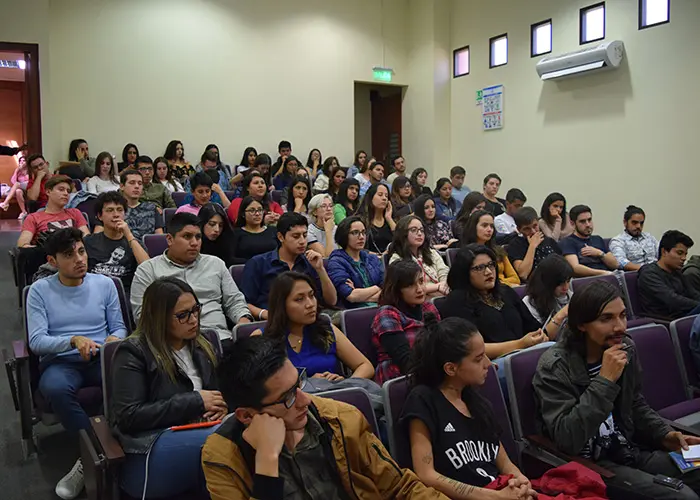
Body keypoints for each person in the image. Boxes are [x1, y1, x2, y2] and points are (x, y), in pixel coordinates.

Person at [201, 335, 448, 500]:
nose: (305, 400)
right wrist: (267, 461)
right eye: (287, 397)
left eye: (299, 385)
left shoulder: (340, 419)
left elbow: (400, 487)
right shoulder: (223, 455)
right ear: (246, 415)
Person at [533, 280, 700, 500]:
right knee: (681, 497)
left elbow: (635, 404)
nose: (620, 326)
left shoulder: (625, 347)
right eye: (607, 319)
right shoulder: (554, 366)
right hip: (595, 464)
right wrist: (605, 380)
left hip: (630, 450)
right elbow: (568, 438)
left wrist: (665, 434)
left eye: (622, 315)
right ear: (581, 324)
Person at [27, 228, 127, 499]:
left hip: (100, 357)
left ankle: (101, 452)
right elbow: (37, 341)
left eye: (81, 251)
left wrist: (110, 342)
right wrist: (73, 341)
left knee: (127, 377)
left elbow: (119, 327)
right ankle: (93, 455)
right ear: (53, 261)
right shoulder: (39, 291)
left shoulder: (104, 284)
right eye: (69, 255)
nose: (79, 259)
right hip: (61, 362)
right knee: (56, 388)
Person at [110, 277, 224, 498]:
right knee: (229, 437)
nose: (194, 320)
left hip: (202, 435)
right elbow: (128, 416)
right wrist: (195, 401)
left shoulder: (203, 345)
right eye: (183, 315)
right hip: (150, 448)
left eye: (195, 310)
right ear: (160, 318)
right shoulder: (134, 352)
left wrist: (220, 407)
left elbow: (217, 395)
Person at [402, 317, 537, 500]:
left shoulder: (477, 402)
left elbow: (505, 464)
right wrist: (495, 497)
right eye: (479, 358)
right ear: (451, 368)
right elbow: (426, 475)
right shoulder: (423, 400)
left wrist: (521, 482)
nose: (489, 364)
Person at [130, 213, 253, 341]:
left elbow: (234, 301)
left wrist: (243, 320)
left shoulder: (215, 264)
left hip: (219, 338)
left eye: (198, 237)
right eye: (187, 236)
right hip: (173, 344)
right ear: (170, 239)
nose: (194, 243)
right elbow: (142, 317)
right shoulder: (148, 270)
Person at [251, 271, 374, 379]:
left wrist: (345, 384)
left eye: (311, 296)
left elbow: (365, 366)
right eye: (299, 299)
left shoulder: (326, 330)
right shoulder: (262, 338)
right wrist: (307, 384)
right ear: (281, 305)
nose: (310, 304)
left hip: (332, 400)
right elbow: (257, 388)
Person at [440, 245, 547, 361]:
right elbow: (469, 349)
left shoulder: (505, 292)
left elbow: (534, 327)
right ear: (465, 273)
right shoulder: (456, 301)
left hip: (525, 355)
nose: (488, 272)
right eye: (479, 268)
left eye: (491, 265)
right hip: (490, 365)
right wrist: (519, 345)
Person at [241, 212, 337, 321]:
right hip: (273, 322)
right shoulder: (258, 263)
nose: (302, 241)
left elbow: (331, 301)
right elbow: (244, 303)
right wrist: (266, 314)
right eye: (296, 236)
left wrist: (320, 270)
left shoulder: (310, 262)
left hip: (307, 320)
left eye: (305, 235)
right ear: (281, 237)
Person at [372, 260, 441, 384]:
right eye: (410, 285)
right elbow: (405, 362)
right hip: (400, 377)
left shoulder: (429, 308)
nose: (420, 289)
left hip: (430, 370)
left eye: (421, 281)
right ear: (397, 289)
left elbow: (441, 344)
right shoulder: (387, 314)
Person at [83, 191, 149, 295]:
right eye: (110, 210)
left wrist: (128, 235)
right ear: (100, 216)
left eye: (120, 210)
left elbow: (147, 268)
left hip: (123, 295)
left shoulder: (134, 243)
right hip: (93, 293)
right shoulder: (88, 242)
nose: (116, 215)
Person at [638, 230, 700, 319]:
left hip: (684, 317)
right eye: (679, 253)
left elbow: (693, 294)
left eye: (685, 254)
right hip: (665, 321)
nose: (684, 258)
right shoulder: (649, 274)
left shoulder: (677, 271)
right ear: (664, 252)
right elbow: (672, 300)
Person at [326, 216, 384, 309]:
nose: (361, 237)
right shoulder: (336, 262)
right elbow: (351, 296)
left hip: (380, 307)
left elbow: (387, 291)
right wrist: (378, 287)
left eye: (363, 232)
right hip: (355, 311)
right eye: (355, 233)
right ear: (344, 235)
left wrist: (360, 294)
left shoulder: (372, 258)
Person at [17, 175, 89, 248]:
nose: (66, 193)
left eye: (68, 191)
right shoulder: (33, 218)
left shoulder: (75, 213)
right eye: (61, 189)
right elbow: (23, 244)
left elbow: (86, 238)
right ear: (48, 192)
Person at [94, 169, 163, 242]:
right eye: (132, 183)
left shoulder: (151, 208)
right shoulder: (112, 209)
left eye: (140, 183)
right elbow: (97, 238)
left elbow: (159, 239)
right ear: (122, 186)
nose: (137, 186)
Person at [389, 216, 449, 298]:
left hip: (442, 293)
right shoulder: (397, 259)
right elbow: (408, 287)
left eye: (422, 230)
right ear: (403, 234)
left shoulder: (431, 253)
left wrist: (444, 285)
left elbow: (444, 272)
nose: (420, 233)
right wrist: (437, 287)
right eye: (414, 230)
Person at [461, 210, 520, 286]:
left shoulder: (499, 251)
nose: (489, 230)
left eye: (491, 226)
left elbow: (515, 279)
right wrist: (502, 283)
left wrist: (501, 283)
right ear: (473, 227)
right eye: (484, 225)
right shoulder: (466, 253)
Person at [522, 254, 573, 339]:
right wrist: (562, 315)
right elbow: (539, 339)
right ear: (547, 282)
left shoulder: (569, 295)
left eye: (568, 281)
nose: (566, 287)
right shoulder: (530, 303)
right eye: (560, 284)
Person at [560, 205, 619, 277]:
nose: (588, 224)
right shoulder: (568, 242)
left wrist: (599, 253)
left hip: (608, 277)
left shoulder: (598, 239)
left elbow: (615, 264)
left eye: (589, 220)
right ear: (573, 223)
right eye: (582, 221)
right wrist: (602, 273)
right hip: (588, 281)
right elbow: (575, 268)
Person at [507, 207, 563, 282]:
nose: (533, 231)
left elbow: (563, 267)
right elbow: (523, 274)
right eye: (527, 229)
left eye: (535, 226)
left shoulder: (549, 241)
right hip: (533, 286)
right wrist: (532, 246)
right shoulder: (516, 244)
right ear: (519, 229)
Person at [609, 205, 659, 271]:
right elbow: (621, 262)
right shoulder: (618, 241)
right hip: (638, 275)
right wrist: (647, 270)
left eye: (641, 223)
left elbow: (662, 255)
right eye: (634, 222)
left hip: (658, 273)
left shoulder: (649, 237)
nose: (638, 226)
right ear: (625, 222)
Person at [231, 196, 278, 262]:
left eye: (260, 210)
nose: (257, 214)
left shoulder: (273, 231)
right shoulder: (236, 233)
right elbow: (231, 258)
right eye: (252, 210)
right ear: (243, 214)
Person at [357, 183, 395, 254]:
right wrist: (376, 255)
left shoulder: (390, 220)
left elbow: (401, 241)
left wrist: (389, 218)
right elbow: (354, 246)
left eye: (386, 196)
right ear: (371, 198)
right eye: (380, 195)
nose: (384, 198)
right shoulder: (359, 220)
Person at [199, 203, 237, 267]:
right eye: (212, 224)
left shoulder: (227, 240)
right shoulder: (193, 244)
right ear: (202, 223)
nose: (217, 229)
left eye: (221, 225)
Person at [307, 193, 337, 257]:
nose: (329, 209)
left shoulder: (338, 229)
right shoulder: (309, 231)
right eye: (324, 206)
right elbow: (327, 258)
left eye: (331, 206)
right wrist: (328, 231)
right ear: (314, 212)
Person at [1, 154, 28, 218]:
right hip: (21, 189)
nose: (22, 162)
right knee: (18, 191)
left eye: (23, 161)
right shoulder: (18, 171)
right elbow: (13, 182)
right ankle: (24, 212)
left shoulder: (30, 170)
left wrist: (24, 172)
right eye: (20, 161)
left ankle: (5, 203)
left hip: (29, 188)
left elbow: (29, 181)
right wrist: (17, 171)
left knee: (17, 185)